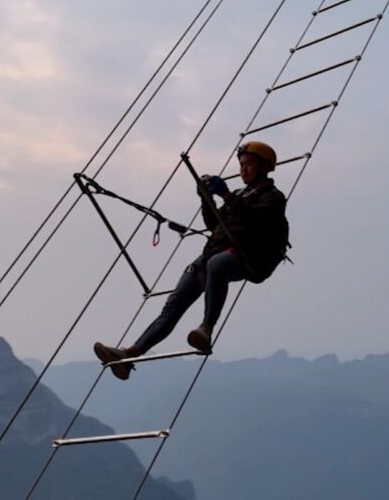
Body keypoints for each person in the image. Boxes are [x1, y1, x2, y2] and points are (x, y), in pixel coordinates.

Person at [93, 141, 289, 380]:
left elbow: (253, 219)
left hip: (247, 256)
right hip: (215, 253)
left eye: (249, 165)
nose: (243, 170)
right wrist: (206, 199)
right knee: (173, 306)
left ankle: (206, 328)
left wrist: (226, 195)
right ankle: (129, 354)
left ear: (264, 167)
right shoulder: (241, 195)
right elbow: (215, 224)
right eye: (241, 165)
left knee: (217, 265)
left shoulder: (274, 197)